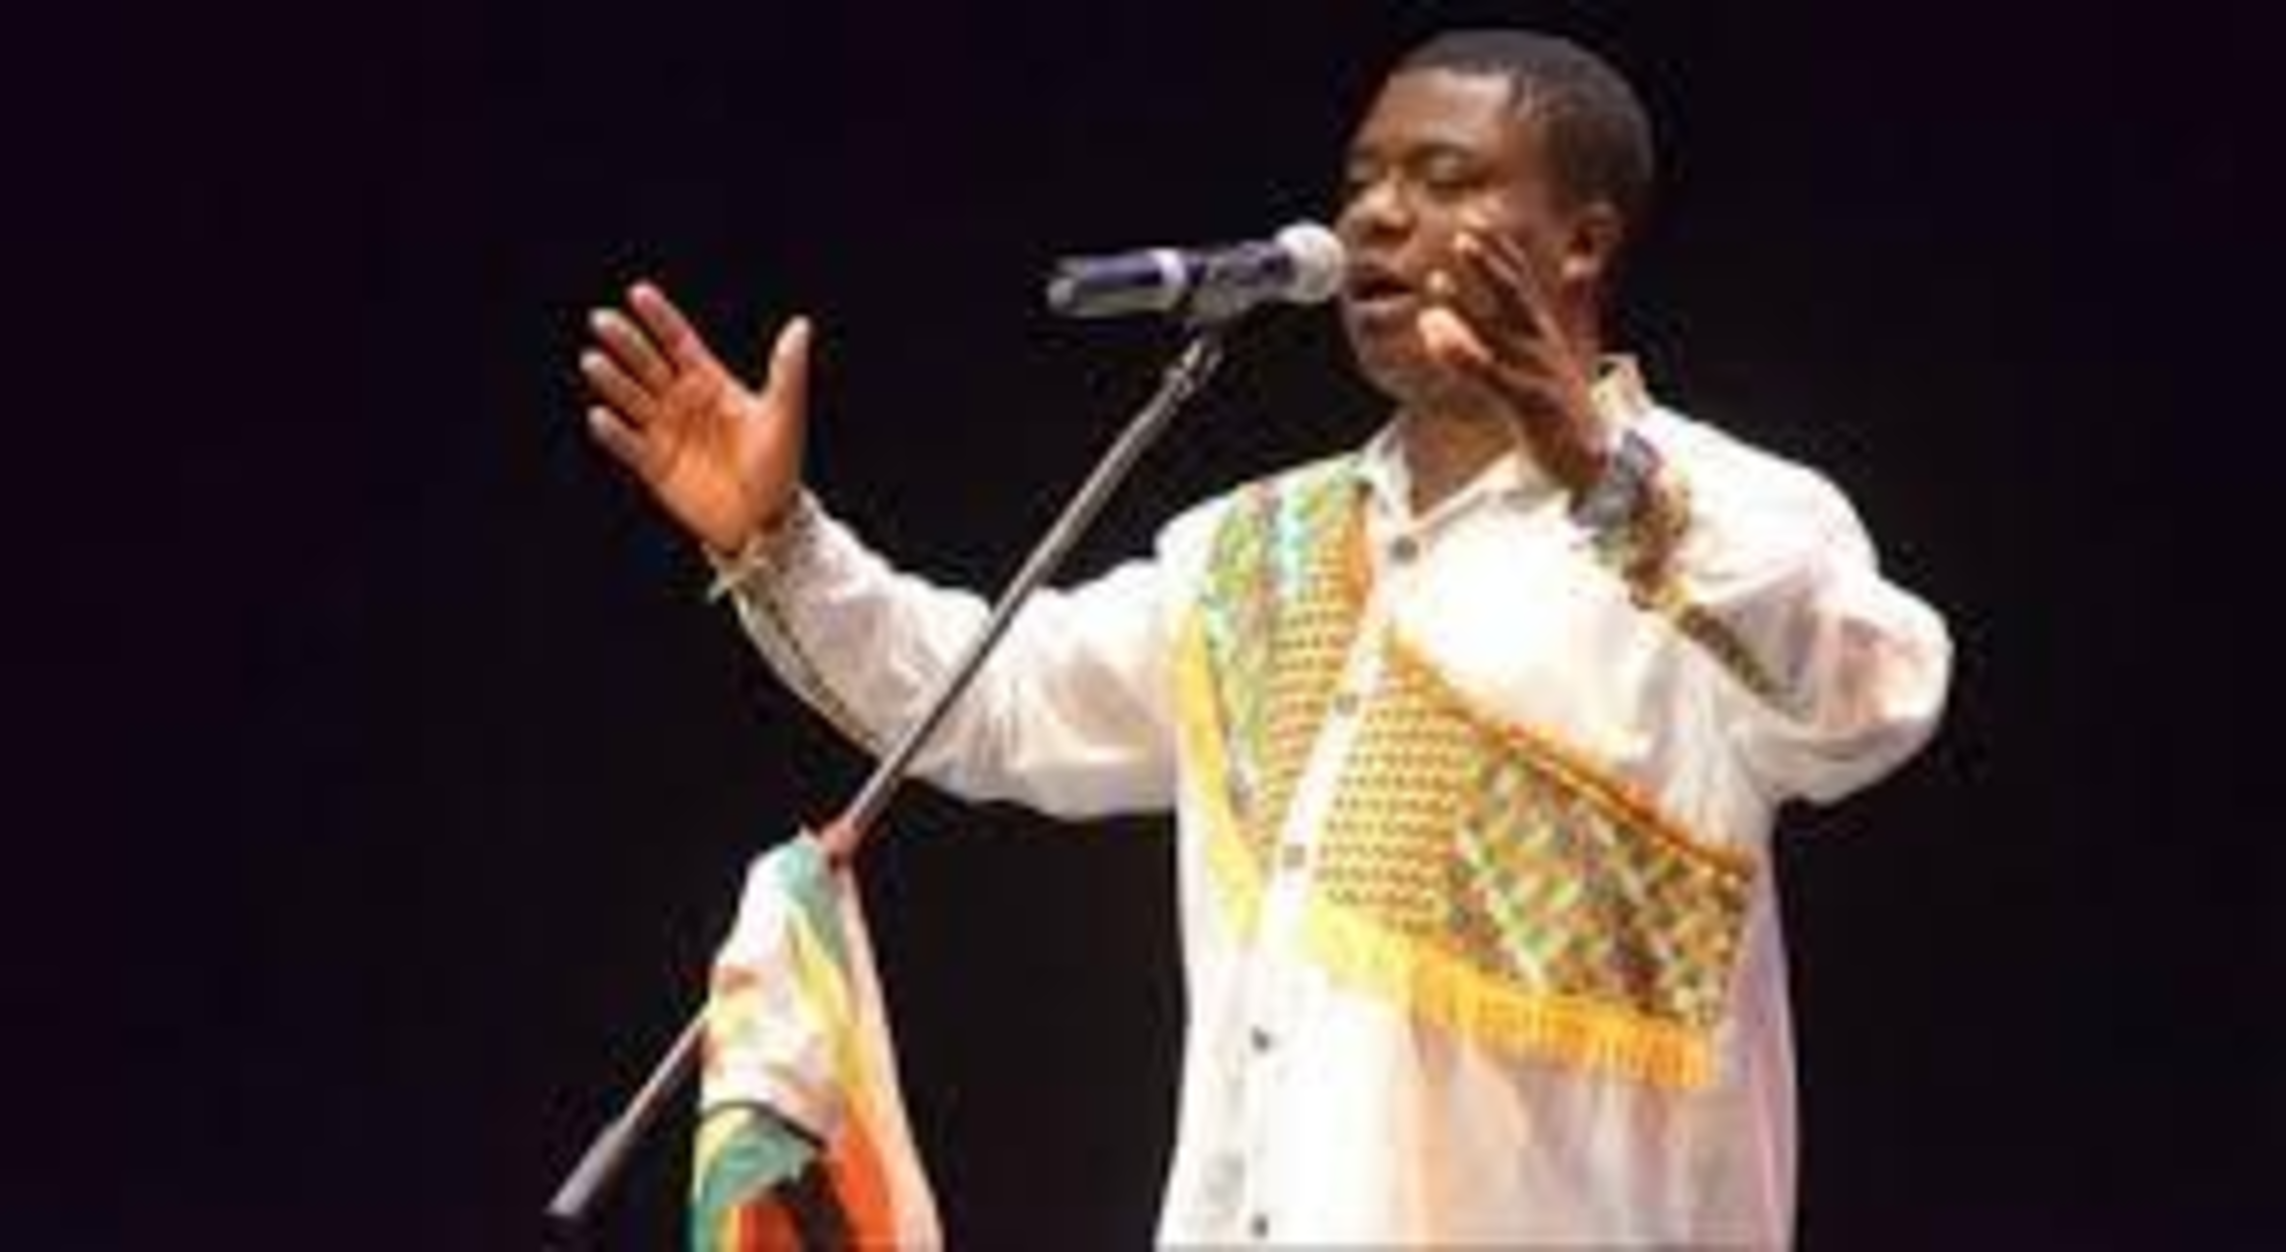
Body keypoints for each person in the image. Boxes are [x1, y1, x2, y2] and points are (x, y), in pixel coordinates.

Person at [578, 28, 1951, 1247]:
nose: (1379, 217)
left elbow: (1869, 703)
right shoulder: (1254, 552)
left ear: (1581, 243)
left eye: (1446, 180)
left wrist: (1603, 471)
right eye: (1363, 181)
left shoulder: (1726, 514)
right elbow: (994, 708)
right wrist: (779, 543)